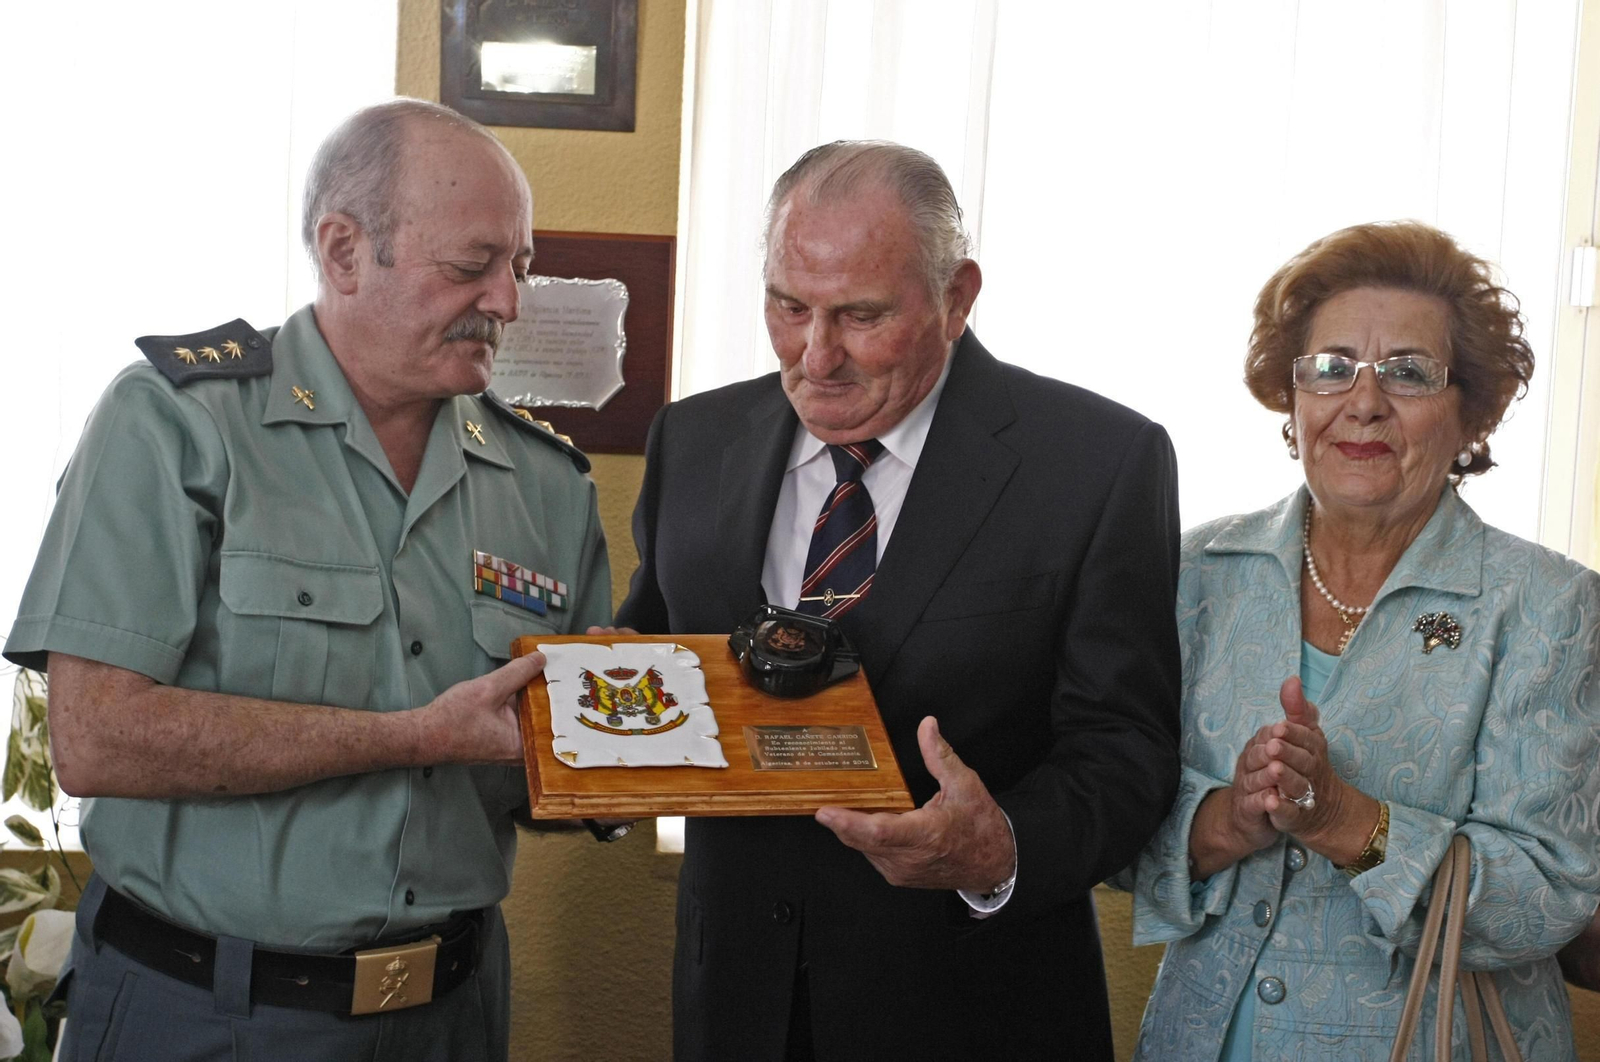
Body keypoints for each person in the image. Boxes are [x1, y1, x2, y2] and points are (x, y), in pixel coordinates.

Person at [2, 98, 613, 1060]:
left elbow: (548, 764)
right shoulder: (178, 425)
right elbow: (97, 737)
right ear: (341, 251)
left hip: (451, 1017)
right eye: (472, 267)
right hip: (206, 1013)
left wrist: (643, 747)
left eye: (521, 268)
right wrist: (416, 736)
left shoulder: (548, 486)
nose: (509, 302)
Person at [617, 140, 1183, 1061]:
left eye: (861, 316)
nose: (816, 354)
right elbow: (659, 662)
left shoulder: (1098, 462)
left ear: (958, 298)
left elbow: (1129, 749)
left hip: (976, 1009)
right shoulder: (694, 436)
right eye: (787, 306)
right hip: (738, 1008)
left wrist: (1001, 846)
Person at [1120, 221, 1600, 1060]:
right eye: (1331, 368)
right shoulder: (1193, 570)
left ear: (1472, 413)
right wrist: (1229, 820)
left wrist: (1349, 820)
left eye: (1409, 373)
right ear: (1292, 395)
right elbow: (1113, 808)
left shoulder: (1547, 604)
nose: (1363, 402)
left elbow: (1552, 894)